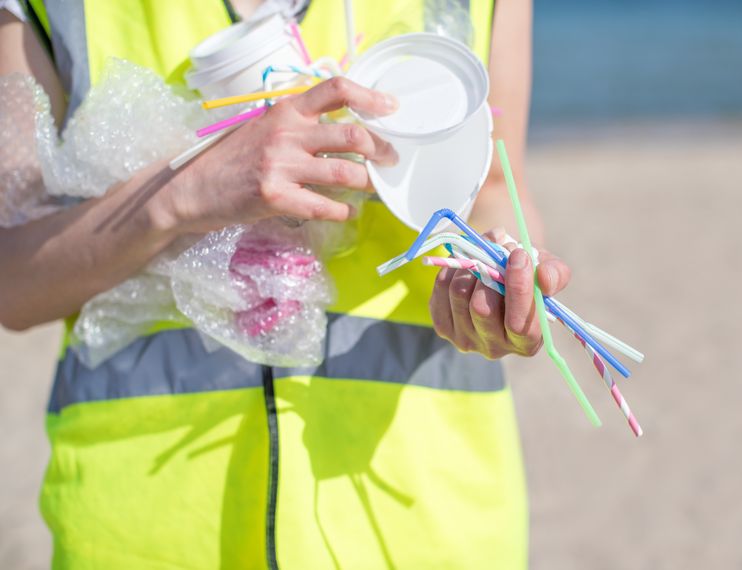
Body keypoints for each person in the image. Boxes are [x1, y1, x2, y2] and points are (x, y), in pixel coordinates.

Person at [0, 0, 572, 568]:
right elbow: (13, 281)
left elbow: (495, 183)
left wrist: (501, 281)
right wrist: (184, 192)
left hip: (424, 515)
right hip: (153, 526)